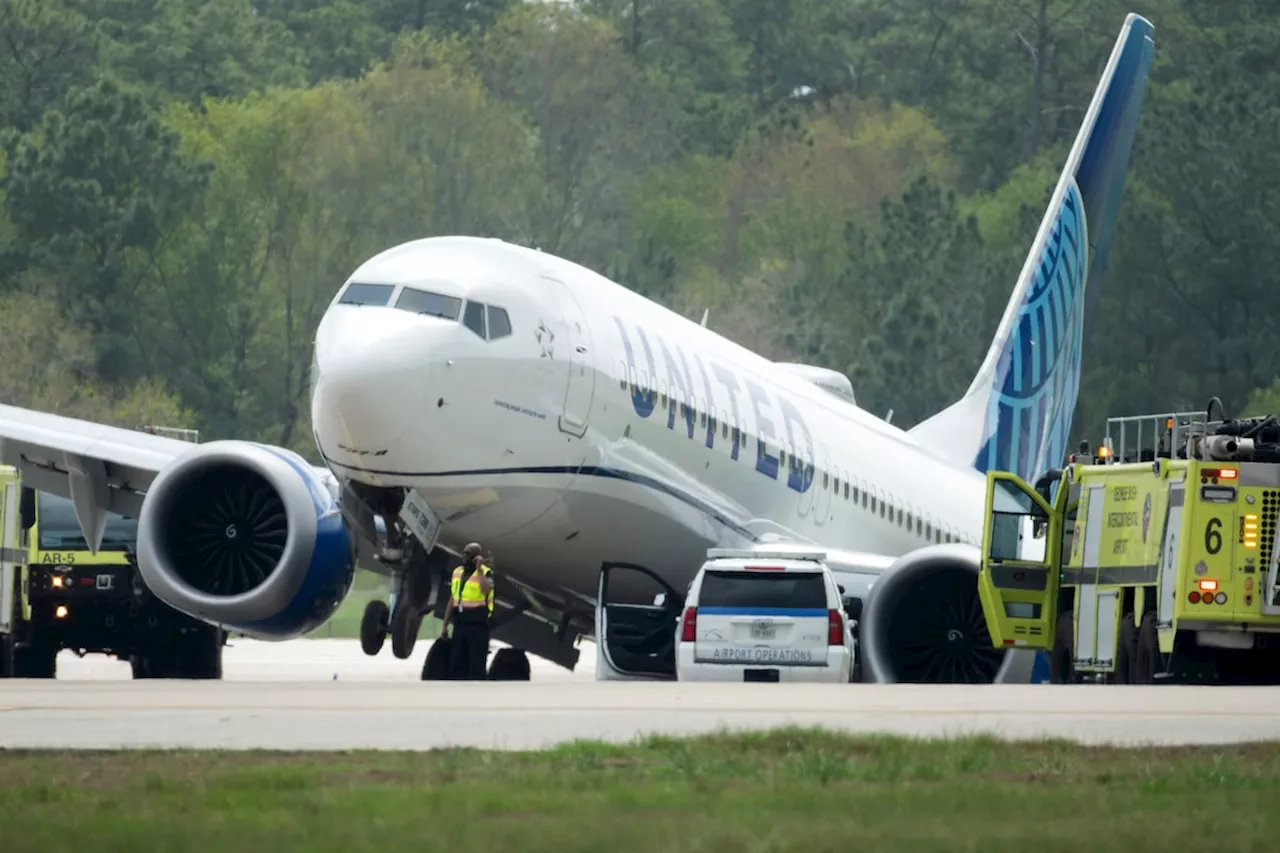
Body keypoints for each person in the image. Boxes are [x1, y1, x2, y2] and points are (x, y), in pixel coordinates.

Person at [440, 542, 495, 679]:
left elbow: (486, 589)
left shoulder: (487, 573)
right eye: (464, 553)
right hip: (460, 623)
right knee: (456, 662)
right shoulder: (457, 572)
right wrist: (445, 624)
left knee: (476, 664)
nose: (464, 557)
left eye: (468, 554)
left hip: (478, 624)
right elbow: (452, 599)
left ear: (477, 557)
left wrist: (480, 570)